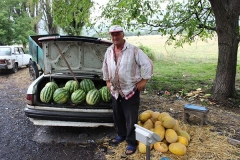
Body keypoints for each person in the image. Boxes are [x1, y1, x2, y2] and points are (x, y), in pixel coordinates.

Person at [102, 25, 153, 155]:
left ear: (123, 34)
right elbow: (105, 67)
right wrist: (107, 80)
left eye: (117, 34)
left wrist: (144, 80)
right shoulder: (108, 51)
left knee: (131, 118)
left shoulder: (133, 50)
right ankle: (121, 135)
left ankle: (131, 142)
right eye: (113, 35)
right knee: (118, 115)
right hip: (115, 91)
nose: (115, 37)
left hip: (130, 90)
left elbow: (148, 64)